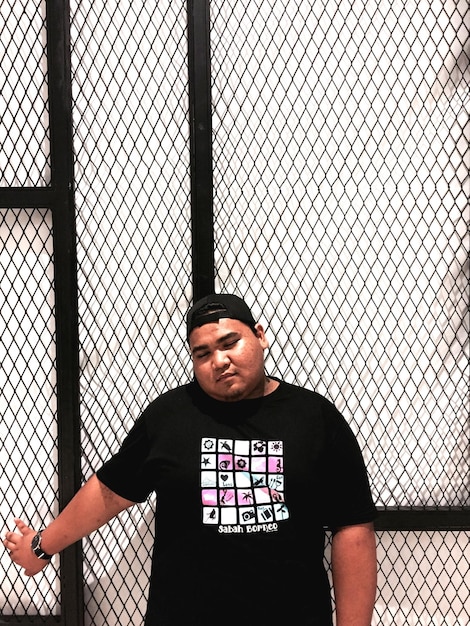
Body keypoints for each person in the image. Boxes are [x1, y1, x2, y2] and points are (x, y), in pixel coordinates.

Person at [4, 293, 377, 625]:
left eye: (230, 343)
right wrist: (41, 546)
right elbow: (111, 491)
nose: (220, 361)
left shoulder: (315, 418)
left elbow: (353, 528)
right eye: (203, 354)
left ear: (260, 336)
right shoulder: (169, 417)